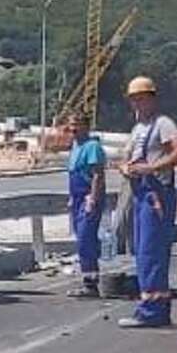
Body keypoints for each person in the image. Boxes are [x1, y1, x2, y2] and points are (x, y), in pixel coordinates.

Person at [117, 75, 177, 327]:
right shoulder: (138, 129)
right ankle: (150, 305)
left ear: (152, 99)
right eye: (133, 100)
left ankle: (153, 311)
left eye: (141, 99)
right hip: (139, 192)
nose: (137, 105)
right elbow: (124, 157)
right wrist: (126, 168)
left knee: (152, 250)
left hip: (155, 194)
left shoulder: (163, 124)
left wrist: (151, 168)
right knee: (142, 250)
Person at [64, 112, 107, 296]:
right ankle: (88, 280)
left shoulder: (92, 146)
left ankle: (91, 284)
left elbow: (97, 175)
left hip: (89, 197)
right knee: (81, 238)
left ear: (86, 126)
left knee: (85, 239)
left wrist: (92, 198)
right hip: (77, 197)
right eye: (71, 124)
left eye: (77, 124)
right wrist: (71, 198)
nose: (73, 128)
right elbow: (73, 174)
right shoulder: (75, 146)